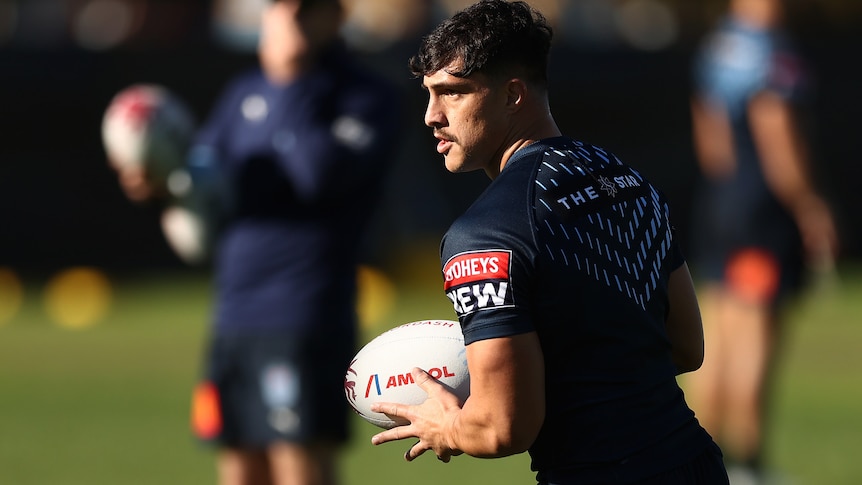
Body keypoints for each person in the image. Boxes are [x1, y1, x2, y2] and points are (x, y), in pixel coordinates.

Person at [368, 1, 728, 483]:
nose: (432, 115)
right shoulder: (626, 180)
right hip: (694, 464)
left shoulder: (483, 237)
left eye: (453, 94)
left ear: (513, 95)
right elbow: (686, 348)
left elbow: (502, 428)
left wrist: (447, 426)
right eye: (430, 94)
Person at [109, 1, 401, 484]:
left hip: (303, 310)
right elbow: (203, 186)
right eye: (280, 9)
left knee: (298, 460)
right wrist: (162, 178)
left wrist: (292, 81)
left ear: (335, 17)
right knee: (238, 460)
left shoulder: (364, 94)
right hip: (234, 312)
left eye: (305, 11)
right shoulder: (244, 91)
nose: (288, 21)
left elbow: (319, 176)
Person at [685, 0, 839, 482]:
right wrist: (810, 206)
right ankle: (748, 465)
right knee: (755, 334)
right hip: (762, 212)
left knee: (721, 334)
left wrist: (732, 193)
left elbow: (710, 139)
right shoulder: (771, 54)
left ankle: (697, 459)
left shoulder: (718, 47)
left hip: (722, 203)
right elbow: (778, 138)